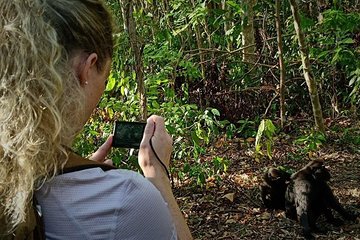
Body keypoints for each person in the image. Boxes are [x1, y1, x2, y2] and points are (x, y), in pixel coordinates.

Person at [0, 0, 193, 239]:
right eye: (106, 75)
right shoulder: (126, 199)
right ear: (88, 68)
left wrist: (75, 170)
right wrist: (158, 176)